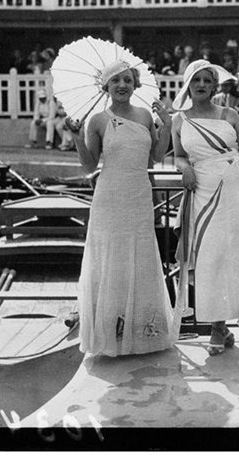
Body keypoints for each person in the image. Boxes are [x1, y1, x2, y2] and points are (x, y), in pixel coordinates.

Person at [66, 61, 177, 357]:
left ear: (135, 84)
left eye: (127, 80)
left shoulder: (143, 116)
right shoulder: (98, 121)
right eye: (115, 81)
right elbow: (90, 166)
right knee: (110, 259)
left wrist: (166, 125)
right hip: (109, 198)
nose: (122, 85)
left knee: (139, 256)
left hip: (139, 195)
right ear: (106, 86)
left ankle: (142, 334)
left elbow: (155, 156)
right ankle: (111, 335)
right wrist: (77, 137)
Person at [171, 60, 239, 355]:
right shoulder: (179, 120)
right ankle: (217, 326)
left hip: (236, 186)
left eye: (207, 81)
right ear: (188, 85)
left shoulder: (230, 114)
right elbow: (179, 155)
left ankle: (222, 326)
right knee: (209, 258)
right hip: (202, 188)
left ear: (214, 86)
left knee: (234, 257)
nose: (201, 86)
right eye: (196, 80)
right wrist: (183, 167)